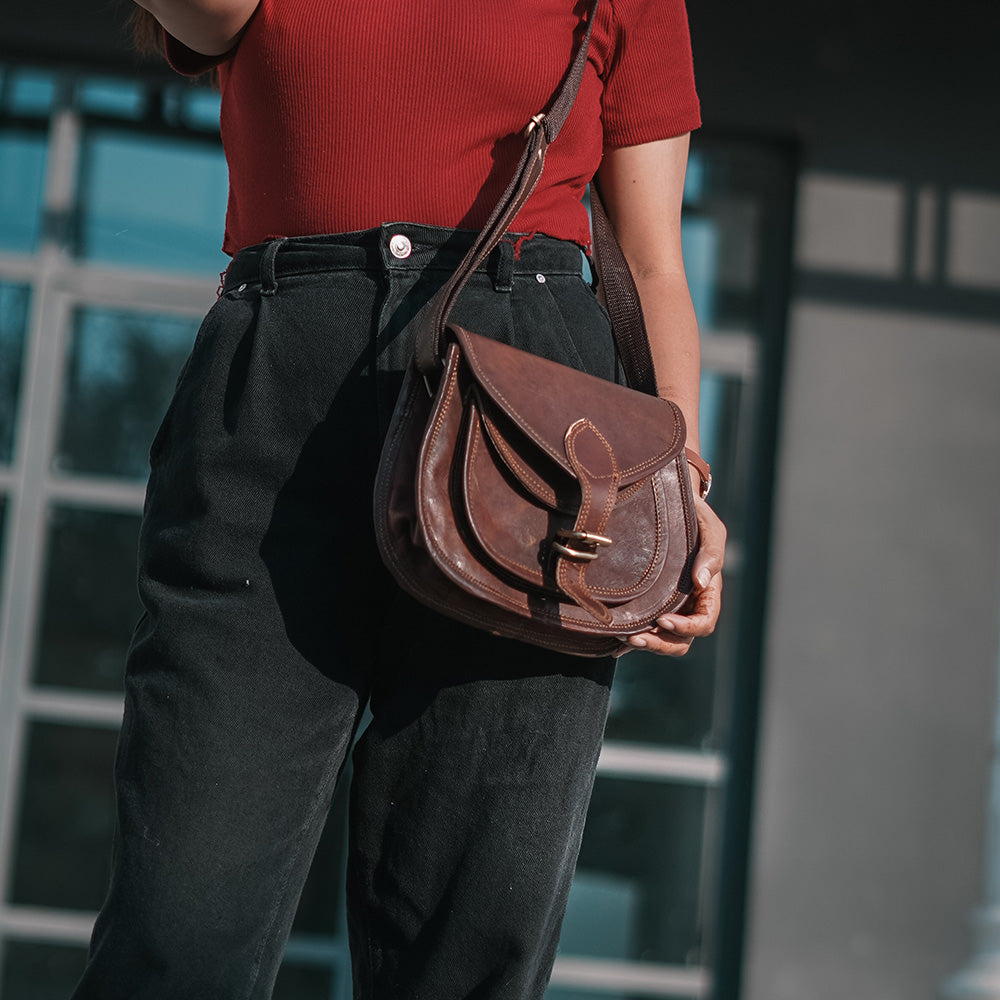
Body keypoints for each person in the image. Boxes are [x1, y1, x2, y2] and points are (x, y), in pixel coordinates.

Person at [71, 0, 726, 997]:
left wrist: (676, 478)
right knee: (179, 927)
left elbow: (654, 262)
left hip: (533, 439)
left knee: (470, 938)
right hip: (277, 410)